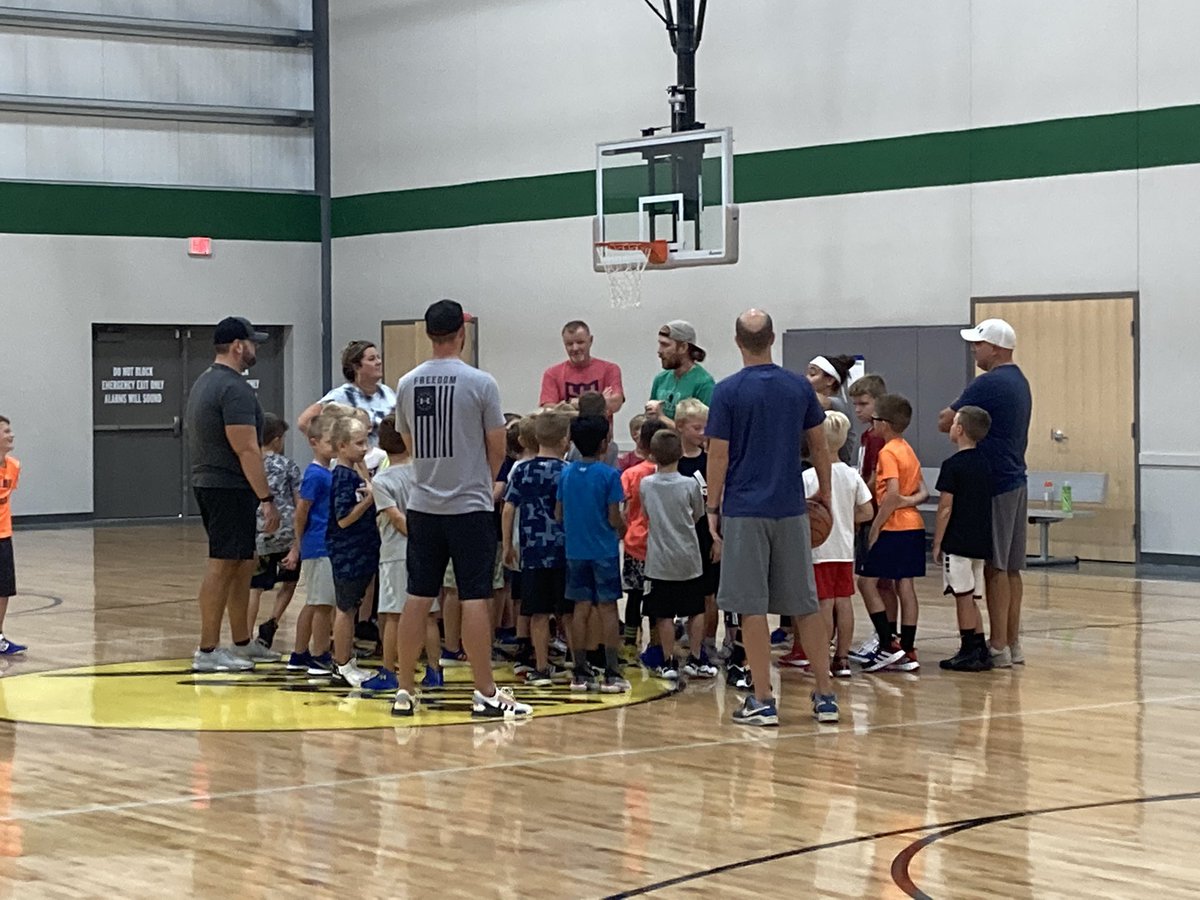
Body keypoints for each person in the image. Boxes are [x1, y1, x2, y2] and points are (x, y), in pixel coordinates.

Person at [392, 299, 533, 718]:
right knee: (474, 596)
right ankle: (485, 691)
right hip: (469, 506)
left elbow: (409, 440)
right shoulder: (480, 383)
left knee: (417, 596)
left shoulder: (406, 383)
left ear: (427, 333)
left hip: (422, 505)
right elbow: (496, 444)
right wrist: (482, 483)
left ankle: (404, 691)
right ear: (462, 333)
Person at [706, 309, 838, 725]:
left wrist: (713, 506)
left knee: (751, 606)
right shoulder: (799, 387)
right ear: (773, 338)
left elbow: (719, 454)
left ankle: (763, 699)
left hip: (745, 509)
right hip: (791, 507)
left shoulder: (727, 391)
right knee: (805, 603)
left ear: (737, 339)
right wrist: (827, 495)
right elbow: (819, 447)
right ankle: (826, 695)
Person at [186, 317, 281, 673]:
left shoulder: (207, 381)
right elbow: (246, 449)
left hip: (216, 484)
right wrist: (266, 498)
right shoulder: (234, 388)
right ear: (239, 346)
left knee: (243, 562)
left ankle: (242, 643)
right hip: (227, 485)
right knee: (223, 563)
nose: (256, 348)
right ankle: (207, 650)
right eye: (252, 342)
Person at [938, 319, 1032, 667]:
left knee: (995, 566)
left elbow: (945, 420)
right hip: (1016, 479)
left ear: (995, 348)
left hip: (993, 485)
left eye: (978, 344)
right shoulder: (1020, 380)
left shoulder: (988, 383)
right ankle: (1013, 642)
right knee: (1012, 568)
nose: (973, 349)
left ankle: (997, 645)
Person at [370, 414, 442, 691]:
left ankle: (390, 670)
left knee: (393, 615)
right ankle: (435, 670)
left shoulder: (382, 480)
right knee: (428, 614)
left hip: (396, 552)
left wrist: (416, 533)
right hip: (427, 550)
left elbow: (397, 519)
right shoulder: (424, 473)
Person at [557, 415, 628, 693]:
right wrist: (623, 528)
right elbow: (613, 518)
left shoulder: (566, 473)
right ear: (604, 443)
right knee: (608, 609)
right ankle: (611, 671)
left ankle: (580, 671)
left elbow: (558, 513)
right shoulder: (610, 475)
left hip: (575, 551)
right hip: (604, 551)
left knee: (580, 608)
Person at [802, 412, 874, 678]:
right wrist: (844, 521)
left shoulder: (810, 476)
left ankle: (820, 658)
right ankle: (842, 659)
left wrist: (821, 523)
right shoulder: (852, 475)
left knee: (824, 604)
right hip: (844, 550)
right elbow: (867, 512)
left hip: (818, 551)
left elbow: (800, 513)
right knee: (844, 602)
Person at [860, 394, 927, 673]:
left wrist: (875, 527)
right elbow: (922, 491)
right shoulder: (907, 449)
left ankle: (888, 644)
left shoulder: (887, 452)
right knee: (905, 587)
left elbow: (893, 494)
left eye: (874, 420)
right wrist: (907, 502)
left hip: (893, 527)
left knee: (866, 583)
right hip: (914, 525)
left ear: (884, 424)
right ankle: (908, 648)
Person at [641, 429, 716, 679]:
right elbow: (698, 514)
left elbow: (646, 512)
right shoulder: (689, 484)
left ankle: (667, 660)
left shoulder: (646, 484)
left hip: (659, 560)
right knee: (696, 608)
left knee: (663, 613)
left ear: (652, 454)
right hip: (689, 558)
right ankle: (695, 657)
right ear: (680, 454)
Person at [502, 412, 571, 685]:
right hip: (565, 549)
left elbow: (509, 508)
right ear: (565, 440)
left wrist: (508, 544)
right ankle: (576, 665)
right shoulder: (568, 472)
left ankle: (541, 667)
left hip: (532, 550)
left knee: (537, 612)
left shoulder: (522, 471)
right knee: (568, 611)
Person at [934, 406, 996, 672]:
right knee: (972, 597)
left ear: (959, 430)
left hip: (958, 541)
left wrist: (937, 542)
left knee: (962, 597)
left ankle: (968, 649)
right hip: (980, 539)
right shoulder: (986, 462)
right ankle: (980, 648)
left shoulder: (953, 465)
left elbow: (945, 507)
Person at [846, 373, 900, 664]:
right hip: (872, 511)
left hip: (876, 513)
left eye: (864, 404)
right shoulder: (868, 436)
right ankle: (885, 636)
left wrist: (858, 500)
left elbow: (874, 478)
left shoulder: (880, 439)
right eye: (855, 405)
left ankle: (887, 637)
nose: (858, 410)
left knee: (876, 581)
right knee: (880, 582)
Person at [326, 416, 381, 687]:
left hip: (361, 550)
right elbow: (343, 519)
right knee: (345, 608)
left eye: (366, 441)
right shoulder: (341, 478)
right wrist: (372, 497)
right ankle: (342, 663)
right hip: (348, 552)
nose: (365, 448)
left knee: (353, 606)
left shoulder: (354, 473)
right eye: (359, 443)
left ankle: (348, 660)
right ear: (342, 446)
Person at [286, 416, 337, 673]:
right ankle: (319, 654)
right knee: (323, 605)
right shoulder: (315, 475)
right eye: (329, 442)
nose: (334, 446)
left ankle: (298, 653)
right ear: (314, 442)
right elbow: (301, 512)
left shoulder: (328, 472)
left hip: (323, 545)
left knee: (315, 602)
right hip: (319, 546)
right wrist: (299, 545)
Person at [248, 413, 301, 652]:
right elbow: (300, 503)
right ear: (278, 440)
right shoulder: (288, 465)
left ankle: (245, 638)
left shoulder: (250, 464)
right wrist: (298, 543)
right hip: (287, 534)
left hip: (258, 534)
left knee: (254, 588)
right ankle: (272, 621)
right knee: (289, 583)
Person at [674, 398, 720, 663]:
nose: (703, 433)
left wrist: (717, 537)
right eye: (696, 427)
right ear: (680, 426)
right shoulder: (673, 463)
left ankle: (707, 643)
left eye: (706, 427)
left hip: (706, 534)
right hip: (680, 538)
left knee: (708, 593)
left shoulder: (711, 460)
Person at [621, 418, 670, 666]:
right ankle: (655, 643)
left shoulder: (632, 474)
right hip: (660, 545)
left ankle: (630, 643)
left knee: (634, 595)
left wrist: (625, 531)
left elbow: (624, 509)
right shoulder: (672, 475)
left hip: (635, 543)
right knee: (657, 597)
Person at [298, 340, 396, 446]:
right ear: (356, 367)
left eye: (378, 357)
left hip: (389, 458)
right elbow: (304, 422)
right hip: (360, 458)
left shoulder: (387, 392)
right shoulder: (341, 395)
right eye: (371, 359)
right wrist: (331, 447)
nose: (378, 362)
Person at [539, 320, 625, 416]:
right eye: (569, 344)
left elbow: (615, 403)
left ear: (591, 340)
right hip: (567, 431)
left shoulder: (609, 369)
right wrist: (600, 401)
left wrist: (569, 405)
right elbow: (548, 411)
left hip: (600, 431)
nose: (575, 348)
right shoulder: (552, 374)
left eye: (580, 342)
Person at [646, 321, 715, 425]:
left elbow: (701, 432)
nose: (659, 351)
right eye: (660, 344)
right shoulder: (660, 379)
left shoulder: (704, 383)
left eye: (665, 345)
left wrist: (661, 417)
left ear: (683, 347)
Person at [0, 415, 25, 656]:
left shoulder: (13, 466)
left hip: (3, 535)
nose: (11, 435)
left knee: (4, 589)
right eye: (6, 431)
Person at [806, 354, 858, 466]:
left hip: (835, 470)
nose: (806, 378)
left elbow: (822, 402)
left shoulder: (837, 405)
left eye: (812, 374)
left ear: (829, 380)